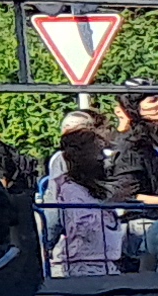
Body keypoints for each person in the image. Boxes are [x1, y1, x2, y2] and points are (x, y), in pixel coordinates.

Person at [49, 128, 122, 277]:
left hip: (107, 262)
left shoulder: (96, 188)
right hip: (82, 265)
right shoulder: (69, 190)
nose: (103, 159)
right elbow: (58, 224)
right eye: (98, 152)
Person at [110, 94, 158, 272]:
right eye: (153, 99)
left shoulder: (151, 141)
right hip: (141, 225)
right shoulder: (132, 147)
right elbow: (125, 195)